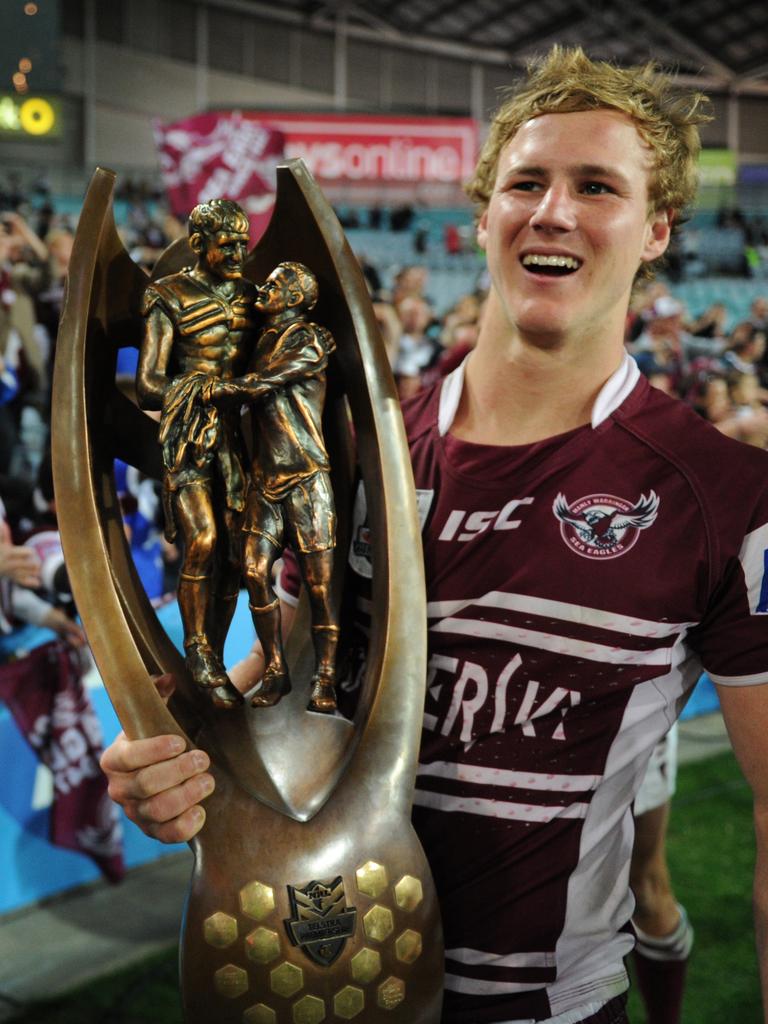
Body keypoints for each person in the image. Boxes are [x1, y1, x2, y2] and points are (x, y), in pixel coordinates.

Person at [102, 48, 768, 1024]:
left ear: (657, 228)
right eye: (526, 183)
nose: (553, 210)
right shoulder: (362, 447)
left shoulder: (726, 495)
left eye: (598, 186)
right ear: (483, 215)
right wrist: (179, 756)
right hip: (331, 988)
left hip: (548, 1009)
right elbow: (291, 663)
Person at [137, 198, 256, 708]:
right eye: (226, 245)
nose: (236, 254)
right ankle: (197, 650)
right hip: (188, 432)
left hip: (238, 439)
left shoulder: (254, 298)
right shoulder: (169, 295)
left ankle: (214, 660)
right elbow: (147, 383)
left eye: (243, 245)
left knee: (234, 550)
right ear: (197, 245)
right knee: (202, 539)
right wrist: (199, 390)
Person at [213, 262, 339, 713]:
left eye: (275, 284)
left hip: (307, 475)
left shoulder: (307, 338)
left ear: (293, 299)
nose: (263, 288)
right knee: (252, 571)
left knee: (320, 586)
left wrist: (220, 389)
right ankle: (276, 670)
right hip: (267, 479)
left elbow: (266, 382)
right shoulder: (261, 340)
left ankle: (325, 675)